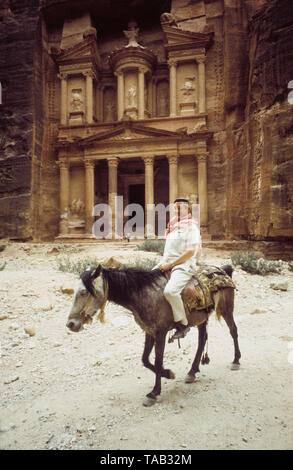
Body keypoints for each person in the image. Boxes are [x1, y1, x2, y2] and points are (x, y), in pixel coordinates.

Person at [154, 198, 202, 339]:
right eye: (176, 208)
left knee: (170, 292)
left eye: (181, 207)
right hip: (167, 262)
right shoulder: (172, 226)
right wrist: (165, 263)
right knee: (145, 284)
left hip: (184, 264)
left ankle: (183, 324)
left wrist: (170, 265)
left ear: (188, 209)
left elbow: (189, 252)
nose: (178, 210)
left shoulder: (191, 226)